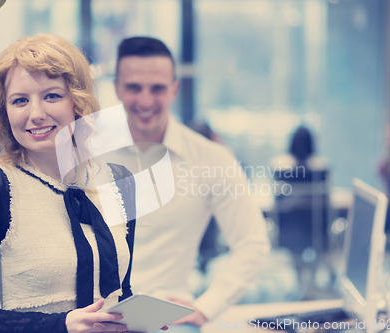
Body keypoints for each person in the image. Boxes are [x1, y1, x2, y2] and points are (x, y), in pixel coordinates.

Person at [0, 34, 137, 333]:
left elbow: (120, 292)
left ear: (78, 100)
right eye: (20, 100)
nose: (35, 114)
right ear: (4, 111)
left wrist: (137, 321)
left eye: (52, 96)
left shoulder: (119, 181)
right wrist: (61, 325)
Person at [110, 37, 270, 332]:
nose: (145, 101)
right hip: (95, 318)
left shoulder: (212, 158)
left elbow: (253, 243)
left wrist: (207, 307)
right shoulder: (85, 154)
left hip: (167, 320)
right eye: (134, 87)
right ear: (117, 87)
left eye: (157, 88)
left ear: (174, 89)